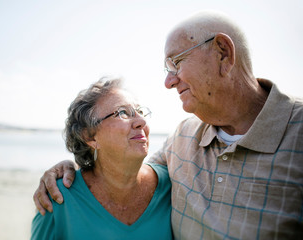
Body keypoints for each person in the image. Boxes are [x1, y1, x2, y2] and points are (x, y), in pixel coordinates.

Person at [33, 10, 303, 239]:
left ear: (223, 52)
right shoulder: (183, 138)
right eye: (123, 113)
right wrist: (65, 169)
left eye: (176, 63)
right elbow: (120, 171)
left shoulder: (298, 134)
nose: (169, 81)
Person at [31, 77, 172, 239]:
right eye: (123, 113)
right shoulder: (58, 197)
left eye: (140, 111)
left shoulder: (172, 183)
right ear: (90, 136)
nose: (141, 121)